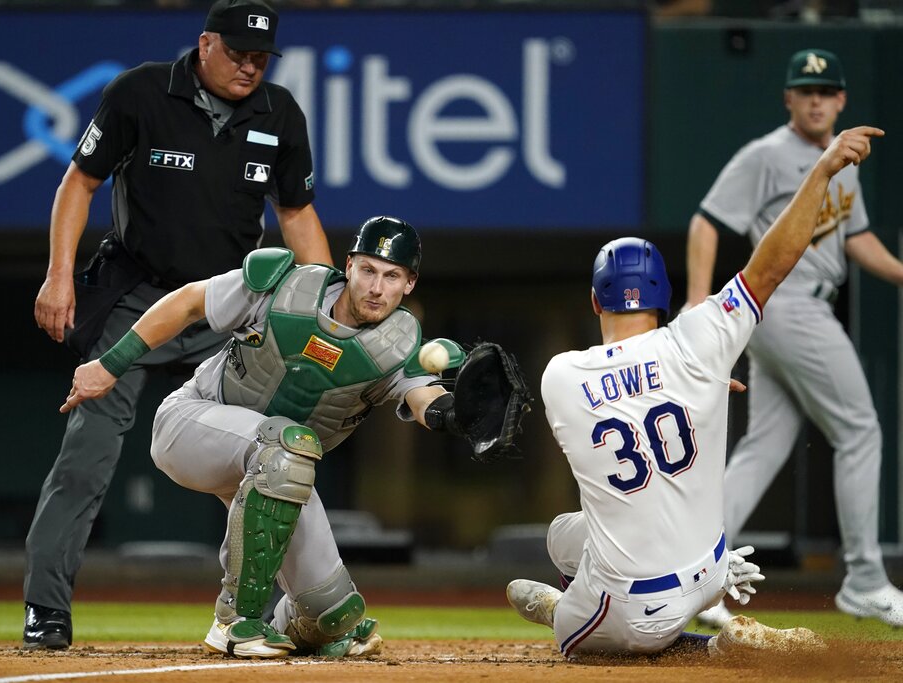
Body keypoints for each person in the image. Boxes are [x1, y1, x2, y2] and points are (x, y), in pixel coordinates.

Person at [506, 125, 882, 658]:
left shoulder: (560, 375)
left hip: (633, 608)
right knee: (568, 533)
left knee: (568, 622)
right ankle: (700, 620)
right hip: (712, 569)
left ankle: (686, 642)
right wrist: (821, 172)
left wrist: (693, 384)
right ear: (664, 298)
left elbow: (625, 396)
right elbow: (772, 264)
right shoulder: (699, 338)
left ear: (595, 303)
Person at [25, 0, 332, 650]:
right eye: (239, 52)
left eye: (261, 57)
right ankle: (45, 607)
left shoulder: (279, 113)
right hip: (140, 294)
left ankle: (292, 608)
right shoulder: (141, 92)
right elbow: (78, 184)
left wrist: (324, 306)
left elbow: (299, 216)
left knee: (276, 449)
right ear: (205, 44)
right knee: (86, 454)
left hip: (226, 304)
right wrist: (58, 274)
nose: (251, 66)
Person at [59, 216, 476, 659]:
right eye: (369, 270)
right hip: (194, 421)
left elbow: (423, 398)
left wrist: (455, 412)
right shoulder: (285, 286)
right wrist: (111, 363)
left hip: (278, 467)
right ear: (349, 265)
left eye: (392, 276)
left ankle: (287, 622)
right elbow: (187, 303)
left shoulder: (400, 346)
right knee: (288, 447)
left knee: (334, 619)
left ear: (409, 284)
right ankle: (235, 621)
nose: (377, 286)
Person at [686, 49, 903, 628]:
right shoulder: (765, 155)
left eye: (826, 91)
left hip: (788, 314)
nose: (816, 100)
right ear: (789, 99)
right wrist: (699, 302)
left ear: (841, 101)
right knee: (860, 429)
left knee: (764, 447)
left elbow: (856, 238)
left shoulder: (843, 160)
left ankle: (694, 572)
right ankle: (864, 578)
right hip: (789, 307)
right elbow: (707, 221)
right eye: (805, 91)